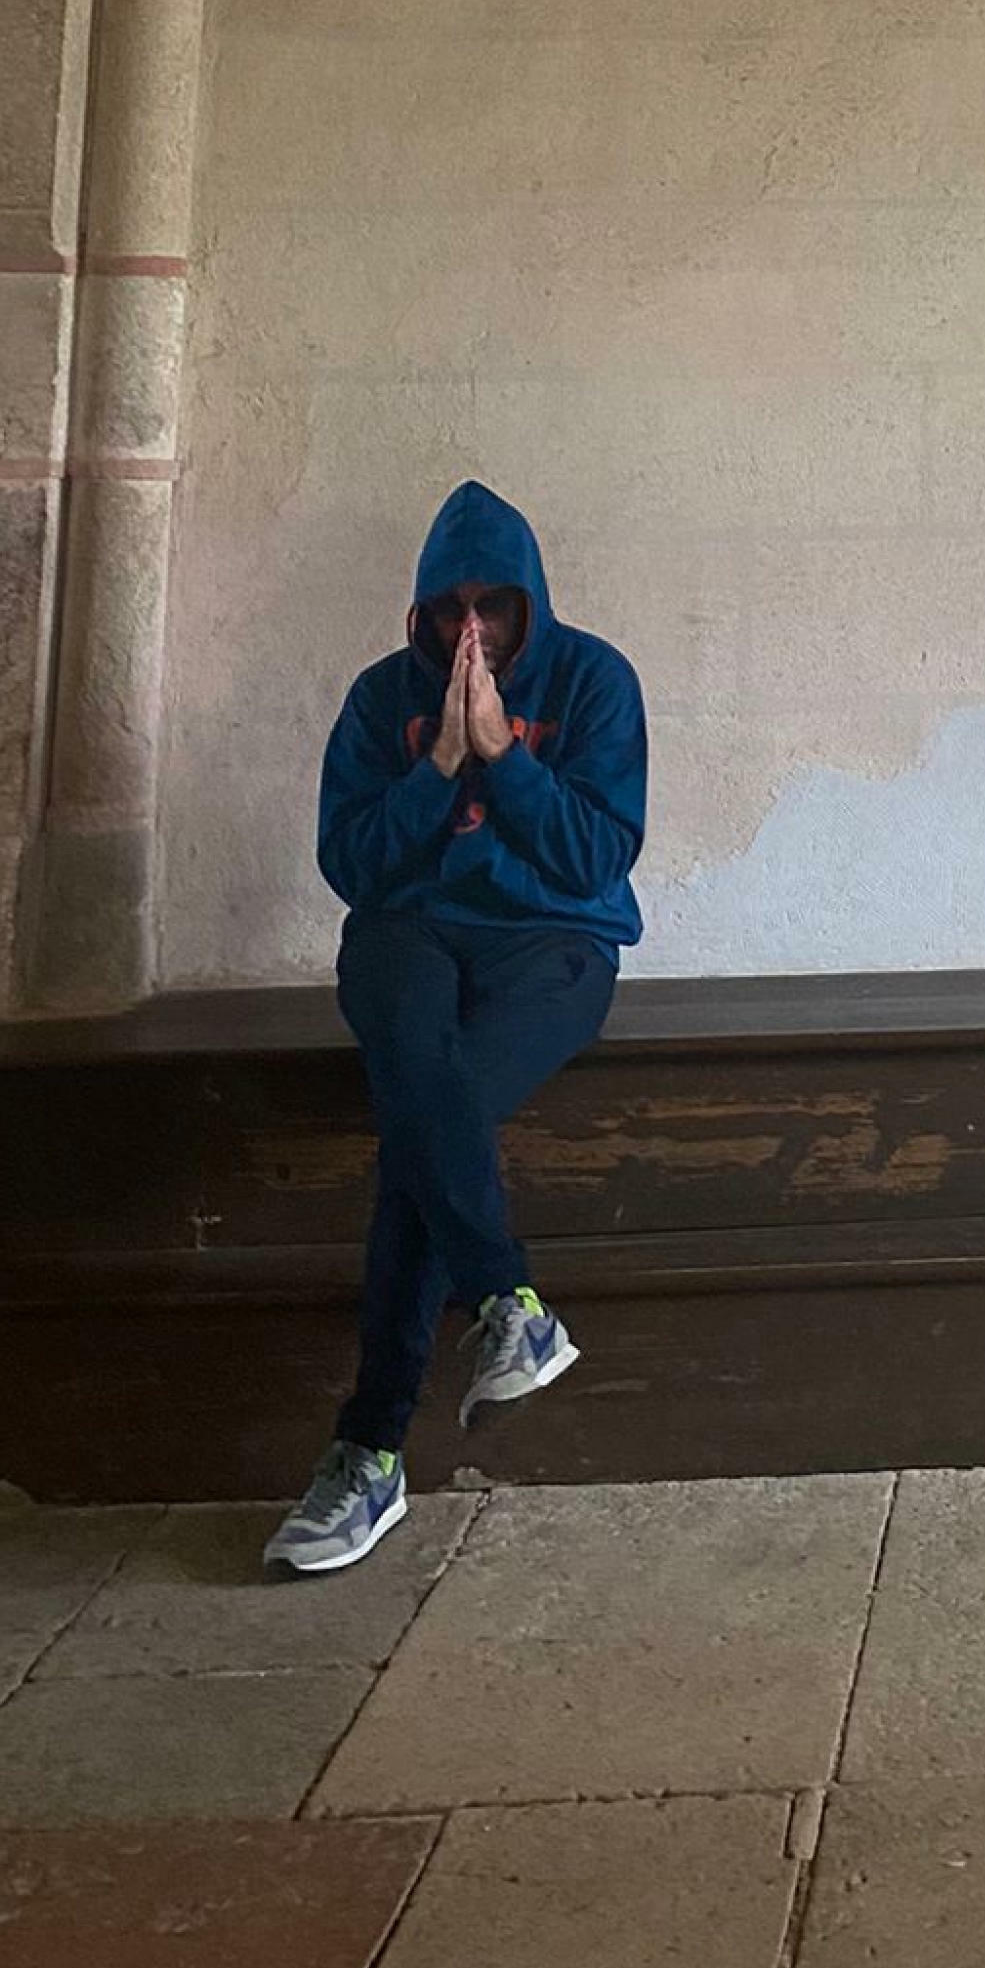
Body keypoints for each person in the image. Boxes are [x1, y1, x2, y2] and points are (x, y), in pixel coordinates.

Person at [266, 481, 648, 1575]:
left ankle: (369, 1450)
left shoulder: (595, 681)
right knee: (423, 1089)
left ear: (530, 605)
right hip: (410, 931)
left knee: (428, 1126)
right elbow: (352, 863)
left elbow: (595, 857)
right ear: (423, 610)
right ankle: (506, 1304)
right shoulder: (379, 698)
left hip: (554, 941)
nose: (470, 629)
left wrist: (506, 759)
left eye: (493, 606)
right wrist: (438, 764)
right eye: (451, 608)